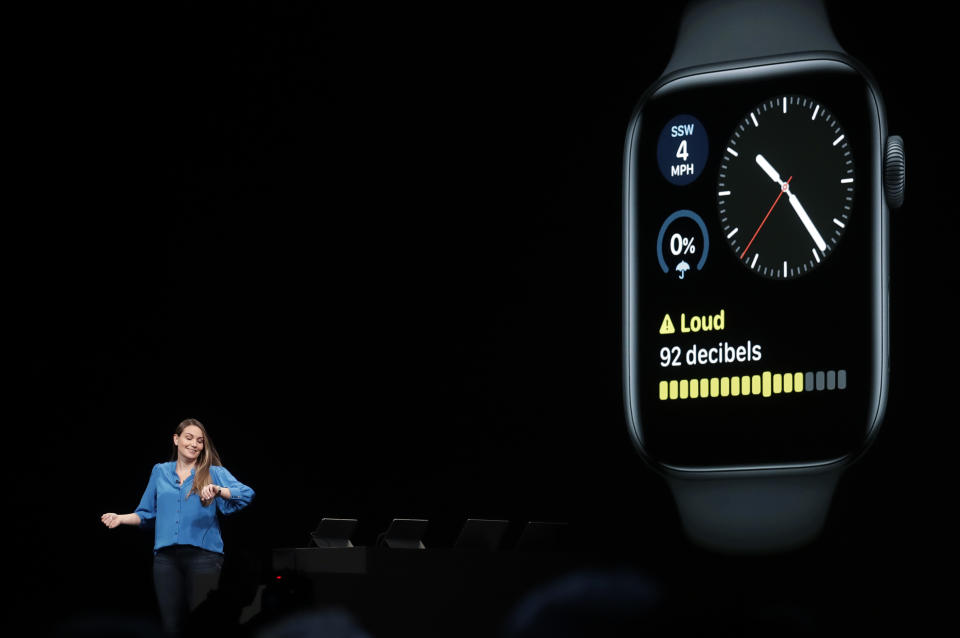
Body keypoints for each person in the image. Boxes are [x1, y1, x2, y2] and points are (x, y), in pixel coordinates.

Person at [101, 418, 255, 636]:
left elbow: (247, 494)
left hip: (204, 559)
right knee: (171, 627)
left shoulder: (213, 472)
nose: (194, 444)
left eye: (200, 441)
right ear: (176, 439)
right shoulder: (160, 471)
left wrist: (219, 490)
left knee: (203, 626)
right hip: (166, 561)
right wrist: (120, 518)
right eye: (189, 438)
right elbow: (146, 513)